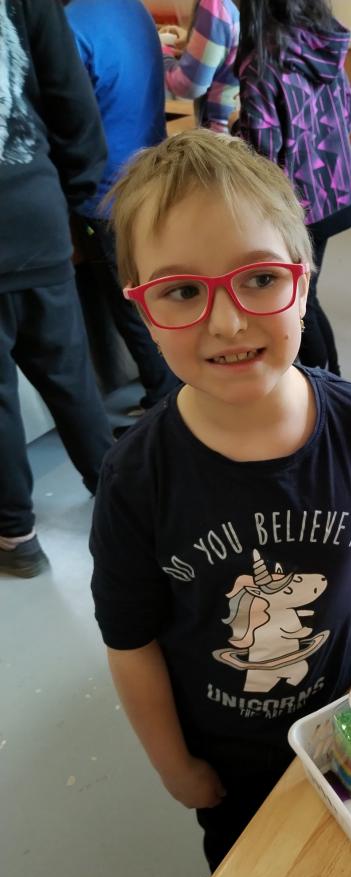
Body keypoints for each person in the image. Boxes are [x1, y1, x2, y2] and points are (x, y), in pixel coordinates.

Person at [89, 131, 351, 873]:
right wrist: (173, 765)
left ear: (302, 284)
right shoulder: (135, 482)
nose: (226, 321)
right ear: (143, 311)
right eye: (182, 291)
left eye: (257, 278)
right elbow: (131, 642)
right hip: (233, 753)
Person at [0, 0, 113, 579]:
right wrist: (70, 198)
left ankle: (16, 537)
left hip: (36, 211)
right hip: (34, 209)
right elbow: (73, 101)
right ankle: (120, 497)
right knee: (70, 374)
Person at [64, 0, 180, 413]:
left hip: (105, 190)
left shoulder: (72, 26)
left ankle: (164, 401)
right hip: (151, 173)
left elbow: (69, 122)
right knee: (158, 289)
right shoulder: (133, 8)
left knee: (130, 303)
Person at [236, 0, 351, 375]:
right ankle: (332, 378)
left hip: (300, 205)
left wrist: (234, 137)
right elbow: (347, 115)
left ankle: (325, 382)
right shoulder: (324, 43)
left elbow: (261, 155)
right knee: (309, 292)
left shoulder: (262, 63)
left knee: (301, 300)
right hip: (336, 192)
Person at [163, 0, 240, 132]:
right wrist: (193, 43)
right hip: (244, 130)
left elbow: (188, 85)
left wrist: (159, 51)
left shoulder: (215, 3)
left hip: (221, 134)